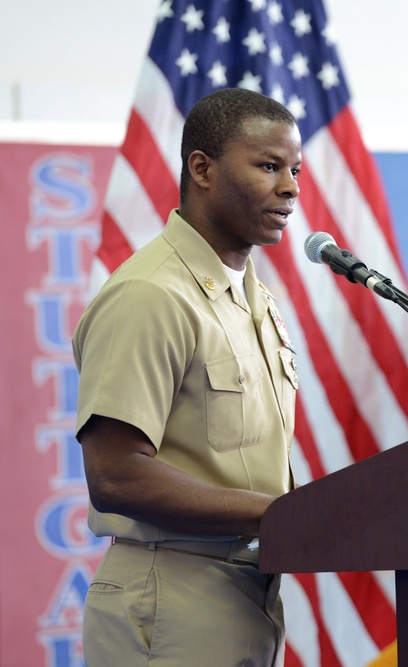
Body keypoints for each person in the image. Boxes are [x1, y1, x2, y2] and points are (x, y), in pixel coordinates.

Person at [73, 87, 301, 666]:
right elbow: (117, 476)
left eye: (294, 169)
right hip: (170, 592)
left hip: (245, 592)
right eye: (269, 166)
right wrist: (279, 513)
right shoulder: (151, 294)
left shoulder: (254, 299)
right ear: (201, 168)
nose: (291, 188)